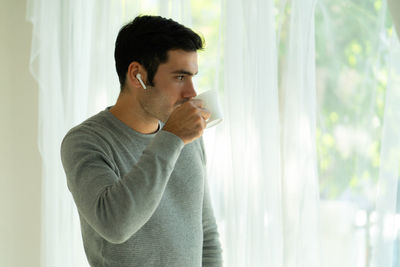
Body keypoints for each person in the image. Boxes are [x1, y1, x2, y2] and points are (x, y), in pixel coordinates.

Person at [61, 15, 223, 267]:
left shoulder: (187, 136)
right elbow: (115, 225)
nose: (192, 92)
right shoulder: (86, 141)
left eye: (193, 77)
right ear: (137, 75)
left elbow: (206, 234)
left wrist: (176, 136)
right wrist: (171, 138)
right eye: (180, 77)